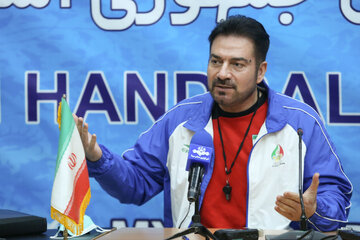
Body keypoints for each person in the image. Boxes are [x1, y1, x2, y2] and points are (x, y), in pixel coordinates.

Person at [74, 15, 352, 231]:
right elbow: (135, 186)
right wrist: (97, 158)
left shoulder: (300, 123)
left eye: (237, 65)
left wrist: (313, 211)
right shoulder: (181, 120)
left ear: (260, 71)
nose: (222, 73)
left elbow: (335, 202)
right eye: (215, 61)